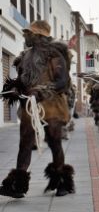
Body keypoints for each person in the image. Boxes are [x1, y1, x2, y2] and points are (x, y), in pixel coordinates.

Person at [0, 20, 74, 198]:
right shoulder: (25, 56)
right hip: (30, 106)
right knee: (24, 144)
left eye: (29, 33)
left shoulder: (54, 55)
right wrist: (16, 89)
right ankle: (17, 186)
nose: (25, 35)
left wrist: (41, 90)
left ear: (39, 36)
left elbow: (62, 81)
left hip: (52, 105)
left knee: (54, 141)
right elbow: (21, 81)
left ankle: (62, 182)